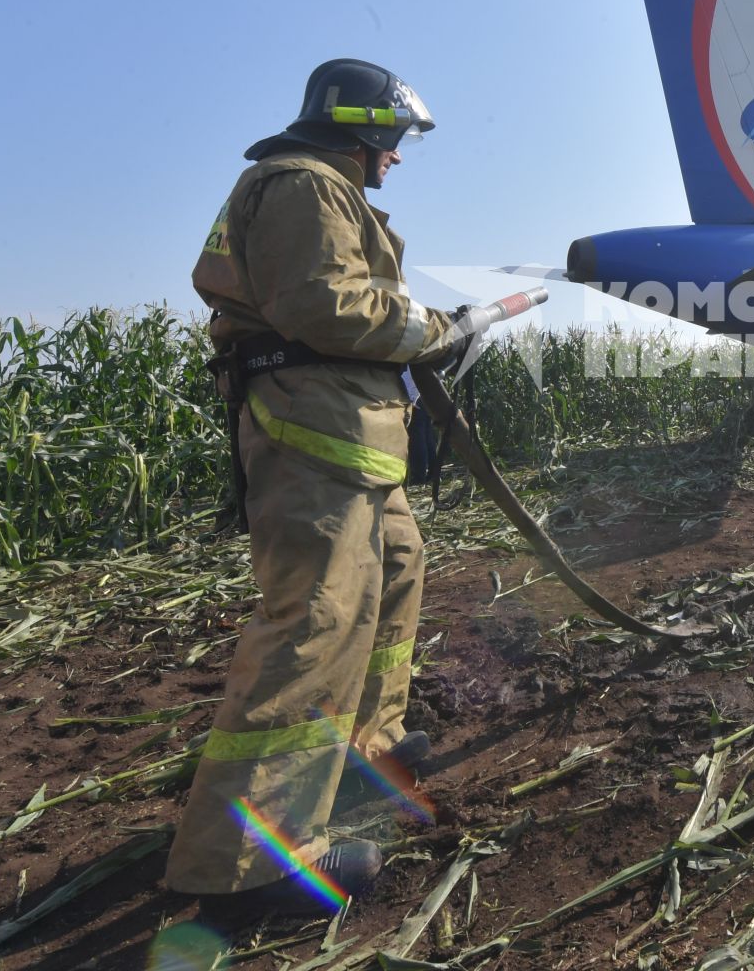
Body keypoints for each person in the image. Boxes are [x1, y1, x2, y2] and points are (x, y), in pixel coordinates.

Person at [169, 59, 476, 917]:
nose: (398, 158)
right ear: (363, 127)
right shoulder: (302, 184)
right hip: (314, 432)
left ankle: (360, 749)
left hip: (354, 429)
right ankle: (247, 867)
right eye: (395, 140)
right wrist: (443, 329)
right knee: (315, 620)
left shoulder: (320, 190)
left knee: (398, 568)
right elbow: (327, 307)